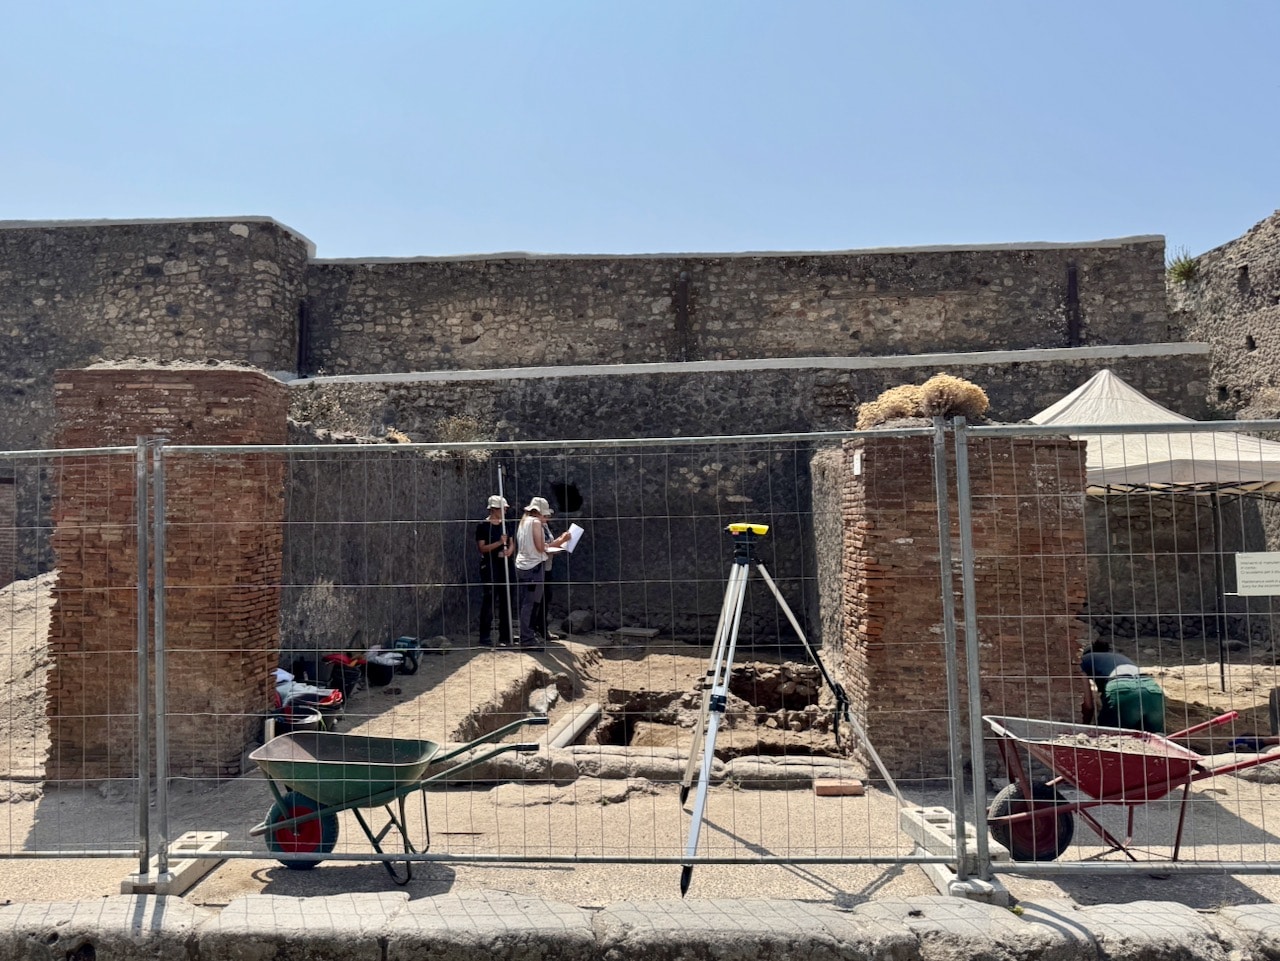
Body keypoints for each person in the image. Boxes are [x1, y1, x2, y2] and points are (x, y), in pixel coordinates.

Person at [514, 496, 571, 651]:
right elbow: (541, 547)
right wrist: (562, 540)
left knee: (528, 603)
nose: (546, 519)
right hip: (534, 567)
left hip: (523, 566)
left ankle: (529, 636)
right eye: (545, 515)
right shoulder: (536, 523)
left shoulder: (524, 521)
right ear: (538, 512)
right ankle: (527, 639)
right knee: (531, 604)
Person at [1079, 641, 1165, 733]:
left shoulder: (1084, 660)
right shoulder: (1120, 658)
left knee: (1106, 737)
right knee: (1152, 740)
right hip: (1152, 689)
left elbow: (1088, 705)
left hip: (1122, 689)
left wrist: (1085, 727)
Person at [475, 495, 515, 647]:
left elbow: (512, 543)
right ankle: (484, 636)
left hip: (506, 564)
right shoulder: (483, 526)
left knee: (507, 598)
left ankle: (505, 635)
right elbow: (482, 548)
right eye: (502, 508)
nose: (505, 510)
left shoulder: (506, 524)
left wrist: (508, 551)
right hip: (490, 565)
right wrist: (499, 543)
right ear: (493, 509)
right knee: (490, 599)